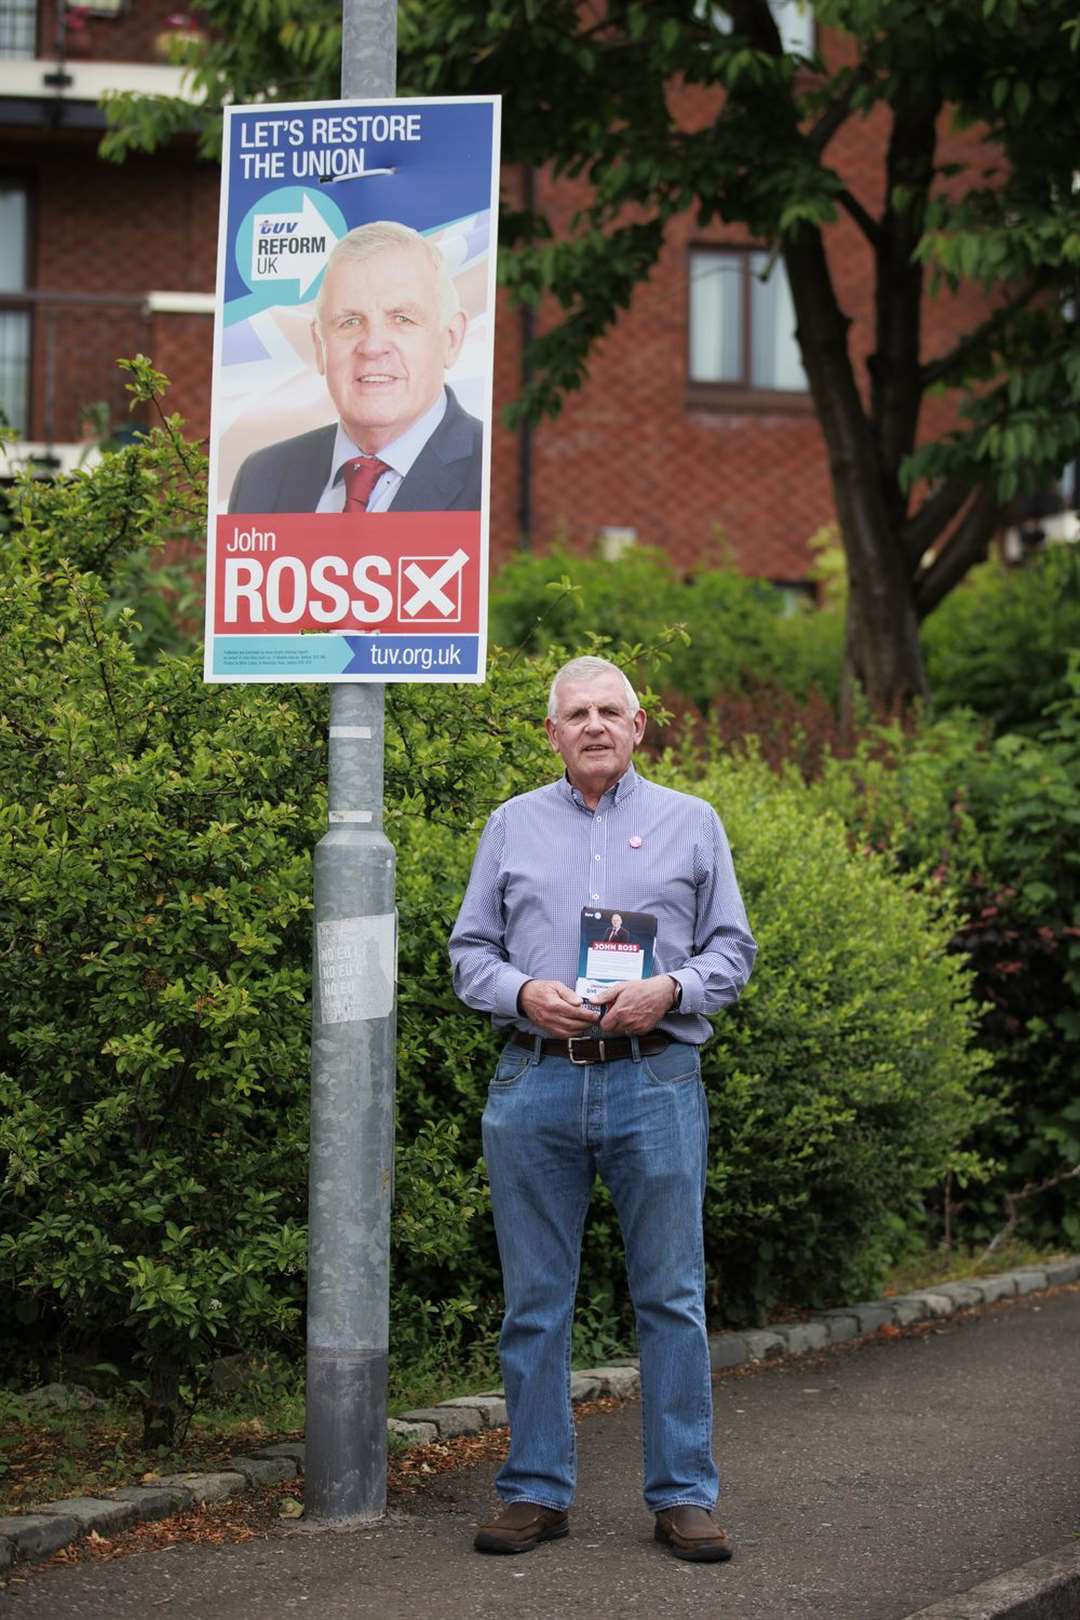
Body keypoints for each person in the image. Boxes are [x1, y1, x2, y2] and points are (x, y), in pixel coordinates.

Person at [449, 655, 757, 1564]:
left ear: (639, 726)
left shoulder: (691, 824)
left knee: (671, 1295)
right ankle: (534, 1492)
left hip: (655, 1079)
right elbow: (469, 953)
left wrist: (671, 988)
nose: (593, 725)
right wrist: (519, 993)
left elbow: (733, 953)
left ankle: (684, 1496)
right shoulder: (510, 826)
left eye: (609, 711)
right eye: (575, 712)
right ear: (551, 732)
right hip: (536, 1076)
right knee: (534, 1302)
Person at [228, 220, 483, 515]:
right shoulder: (261, 479)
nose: (372, 346)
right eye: (349, 322)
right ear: (320, 345)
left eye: (402, 319)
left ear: (451, 339)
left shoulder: (492, 471)